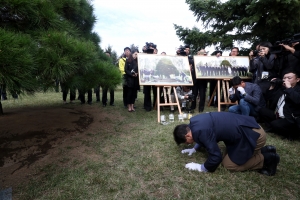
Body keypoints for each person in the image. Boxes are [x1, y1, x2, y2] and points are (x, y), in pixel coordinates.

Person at [173, 112, 280, 176]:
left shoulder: (201, 132)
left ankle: (267, 158)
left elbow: (216, 156)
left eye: (186, 143)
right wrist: (195, 148)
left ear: (187, 136)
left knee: (229, 164)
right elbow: (206, 134)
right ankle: (266, 149)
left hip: (254, 136)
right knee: (228, 155)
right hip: (248, 128)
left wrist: (201, 167)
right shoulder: (194, 122)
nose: (188, 144)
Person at [259, 71, 300, 138]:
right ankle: (274, 127)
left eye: (289, 78)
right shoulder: (282, 89)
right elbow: (268, 98)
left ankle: (290, 134)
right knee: (262, 110)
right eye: (284, 78)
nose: (286, 80)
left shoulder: (298, 90)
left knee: (275, 124)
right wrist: (272, 86)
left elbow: (297, 100)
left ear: (297, 79)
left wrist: (289, 88)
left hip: (290, 118)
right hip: (278, 114)